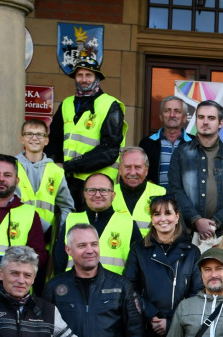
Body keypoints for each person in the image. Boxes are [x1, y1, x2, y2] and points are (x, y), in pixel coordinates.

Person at [44, 224, 144, 337]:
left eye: (94, 244)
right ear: (68, 250)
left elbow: (135, 333)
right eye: (82, 245)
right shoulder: (54, 287)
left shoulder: (121, 285)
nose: (90, 250)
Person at [123, 195, 203, 337]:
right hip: (146, 328)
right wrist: (153, 316)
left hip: (180, 329)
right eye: (156, 214)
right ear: (151, 218)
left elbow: (196, 292)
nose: (162, 218)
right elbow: (129, 287)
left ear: (177, 216)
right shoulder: (138, 250)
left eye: (168, 213)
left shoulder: (192, 252)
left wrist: (171, 321)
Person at [168, 100, 223, 247]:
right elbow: (175, 190)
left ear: (220, 124)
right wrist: (196, 219)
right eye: (201, 117)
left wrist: (217, 221)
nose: (205, 122)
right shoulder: (180, 153)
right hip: (186, 234)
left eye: (211, 118)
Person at [47, 57, 127, 207]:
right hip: (66, 182)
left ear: (97, 78)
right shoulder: (66, 104)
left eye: (89, 75)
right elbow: (53, 141)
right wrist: (54, 165)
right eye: (80, 75)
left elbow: (109, 151)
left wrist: (69, 166)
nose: (84, 80)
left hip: (97, 186)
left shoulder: (110, 105)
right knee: (66, 226)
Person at [0, 154, 47, 289]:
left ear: (17, 181)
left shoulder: (29, 214)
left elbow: (40, 256)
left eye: (7, 175)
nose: (1, 179)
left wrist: (16, 270)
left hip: (14, 295)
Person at [59, 173, 140, 276]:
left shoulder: (128, 223)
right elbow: (59, 263)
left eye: (103, 190)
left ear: (113, 195)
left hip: (116, 289)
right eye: (92, 190)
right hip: (75, 288)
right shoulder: (71, 220)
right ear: (84, 194)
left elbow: (138, 264)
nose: (97, 195)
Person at [15, 119, 74, 241]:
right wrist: (45, 228)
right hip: (16, 235)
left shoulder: (56, 171)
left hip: (45, 241)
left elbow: (66, 206)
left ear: (46, 140)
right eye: (29, 134)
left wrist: (57, 233)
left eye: (40, 134)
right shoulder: (11, 166)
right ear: (22, 139)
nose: (34, 138)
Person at [139, 95, 192, 187]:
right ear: (161, 117)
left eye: (177, 111)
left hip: (186, 200)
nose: (172, 115)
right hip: (155, 199)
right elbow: (140, 173)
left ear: (184, 117)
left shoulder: (195, 143)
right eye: (167, 111)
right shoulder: (147, 143)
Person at [112, 147, 166, 236]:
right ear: (120, 170)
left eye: (138, 167)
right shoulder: (107, 194)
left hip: (150, 249)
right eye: (127, 167)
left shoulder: (161, 193)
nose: (132, 173)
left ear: (146, 170)